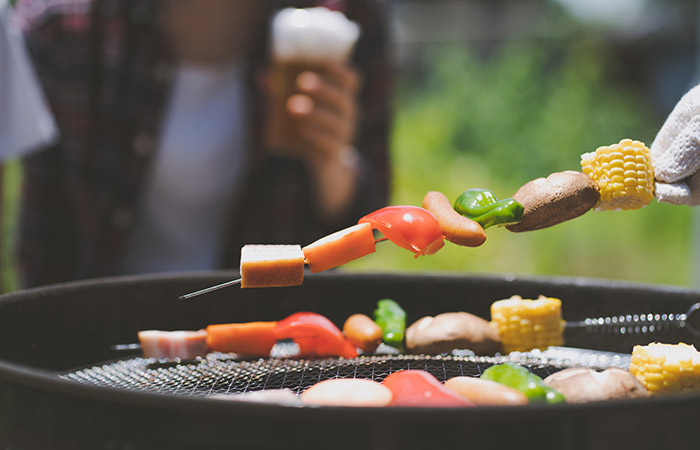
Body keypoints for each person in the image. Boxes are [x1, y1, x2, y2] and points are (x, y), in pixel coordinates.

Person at [0, 0, 391, 289]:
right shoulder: (64, 27)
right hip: (105, 340)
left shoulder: (346, 19)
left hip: (270, 346)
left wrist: (331, 163)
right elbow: (46, 249)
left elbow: (368, 227)